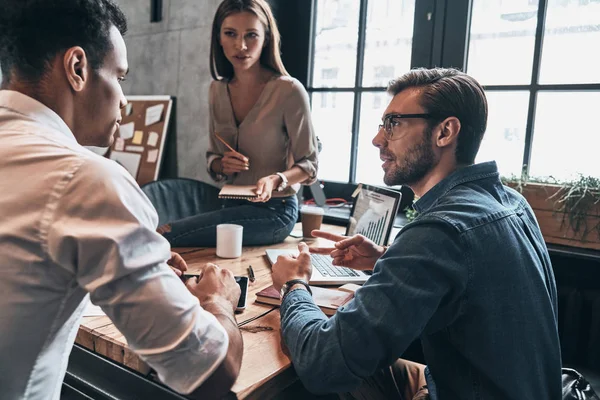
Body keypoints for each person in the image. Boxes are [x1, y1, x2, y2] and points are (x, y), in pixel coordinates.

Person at [271, 68, 562, 399]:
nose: (378, 139)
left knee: (303, 370)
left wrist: (293, 286)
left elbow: (325, 364)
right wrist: (387, 259)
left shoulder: (439, 232)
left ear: (445, 132)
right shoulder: (512, 202)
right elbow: (469, 277)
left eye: (393, 123)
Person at [0, 1, 242, 399]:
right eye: (120, 77)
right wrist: (219, 301)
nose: (125, 101)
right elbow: (212, 372)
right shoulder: (86, 180)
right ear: (77, 68)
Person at [159, 0, 319, 247]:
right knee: (166, 232)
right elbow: (212, 159)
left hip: (274, 211)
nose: (240, 46)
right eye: (230, 34)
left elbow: (309, 166)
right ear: (219, 38)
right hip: (230, 203)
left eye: (251, 35)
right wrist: (221, 164)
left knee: (168, 233)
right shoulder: (216, 90)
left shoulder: (289, 91)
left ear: (266, 38)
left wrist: (276, 179)